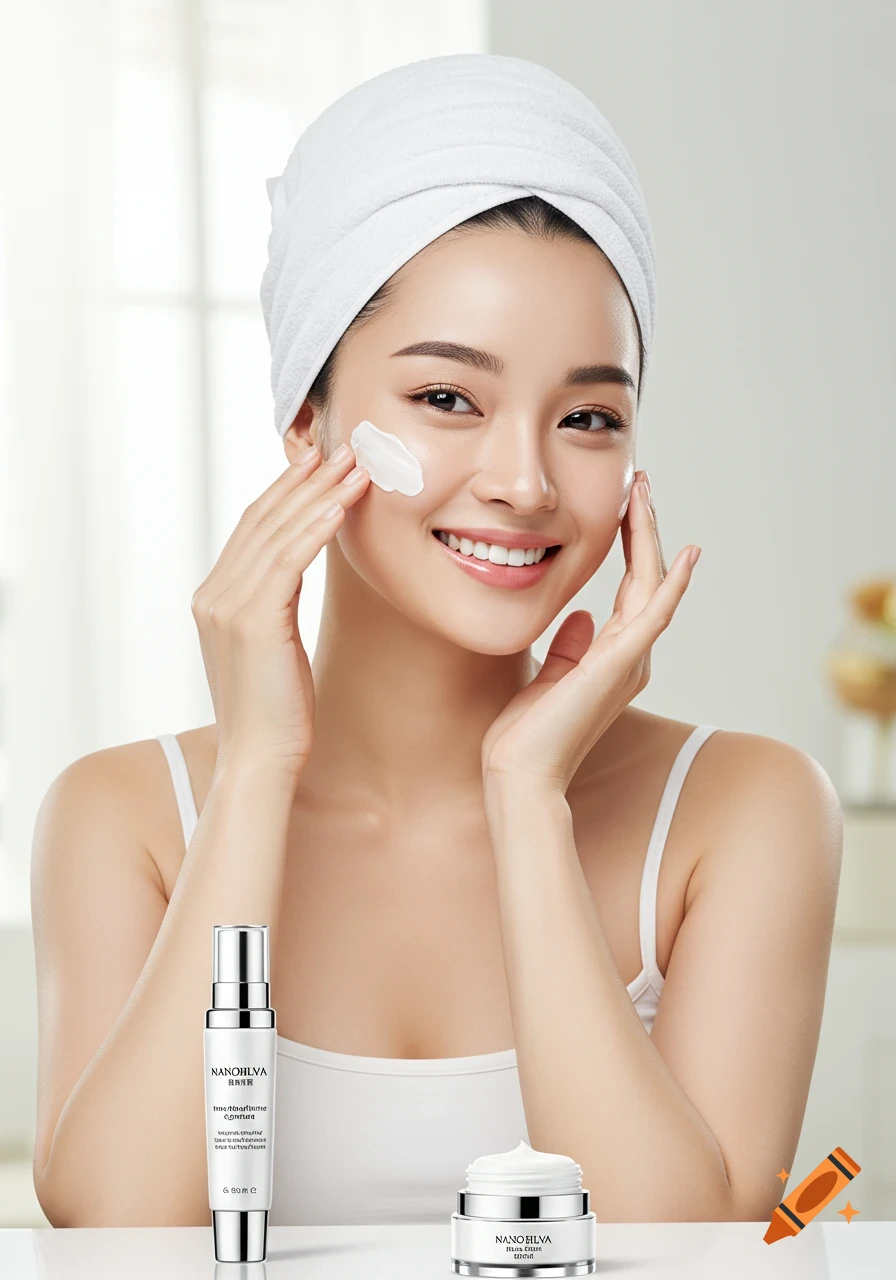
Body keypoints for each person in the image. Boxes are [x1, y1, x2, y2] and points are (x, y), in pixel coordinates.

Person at [30, 54, 840, 1229]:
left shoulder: (743, 810)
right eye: (447, 398)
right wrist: (255, 769)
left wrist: (526, 796)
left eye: (586, 416)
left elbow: (681, 1242)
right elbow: (115, 1229)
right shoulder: (125, 819)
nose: (523, 481)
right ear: (306, 419)